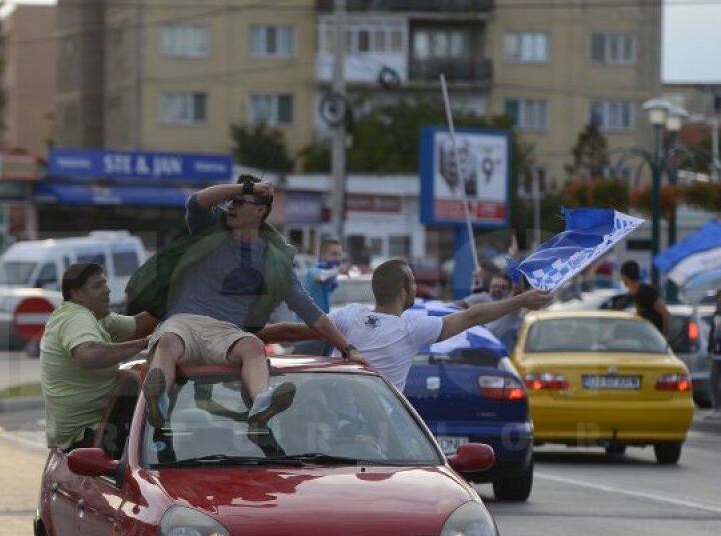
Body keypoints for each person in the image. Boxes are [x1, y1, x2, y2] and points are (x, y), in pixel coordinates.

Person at [127, 175, 364, 431]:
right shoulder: (209, 228)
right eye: (230, 200)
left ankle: (262, 406)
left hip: (227, 332)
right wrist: (247, 188)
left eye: (240, 202)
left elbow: (311, 313)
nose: (230, 206)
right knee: (167, 340)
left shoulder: (274, 260)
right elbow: (196, 202)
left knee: (252, 345)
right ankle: (158, 402)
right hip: (183, 322)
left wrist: (348, 349)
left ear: (260, 211)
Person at [262, 259, 551, 390]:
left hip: (336, 419)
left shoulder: (348, 315)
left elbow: (291, 331)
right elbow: (473, 316)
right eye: (412, 280)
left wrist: (246, 332)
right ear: (403, 290)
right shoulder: (411, 328)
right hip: (381, 424)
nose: (416, 286)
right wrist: (521, 300)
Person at [41, 262, 156, 450]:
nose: (107, 290)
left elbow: (137, 325)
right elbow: (87, 354)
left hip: (95, 426)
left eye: (105, 283)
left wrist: (175, 305)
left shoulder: (96, 317)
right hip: (85, 438)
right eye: (97, 286)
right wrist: (144, 343)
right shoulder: (76, 317)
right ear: (76, 293)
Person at [620, 260, 669, 338]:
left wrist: (664, 338)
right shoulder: (630, 296)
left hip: (654, 340)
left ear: (624, 277)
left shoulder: (646, 292)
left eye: (622, 276)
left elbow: (665, 314)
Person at [708, 293, 721, 419]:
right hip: (717, 352)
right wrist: (710, 349)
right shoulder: (716, 313)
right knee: (713, 380)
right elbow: (712, 332)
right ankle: (716, 407)